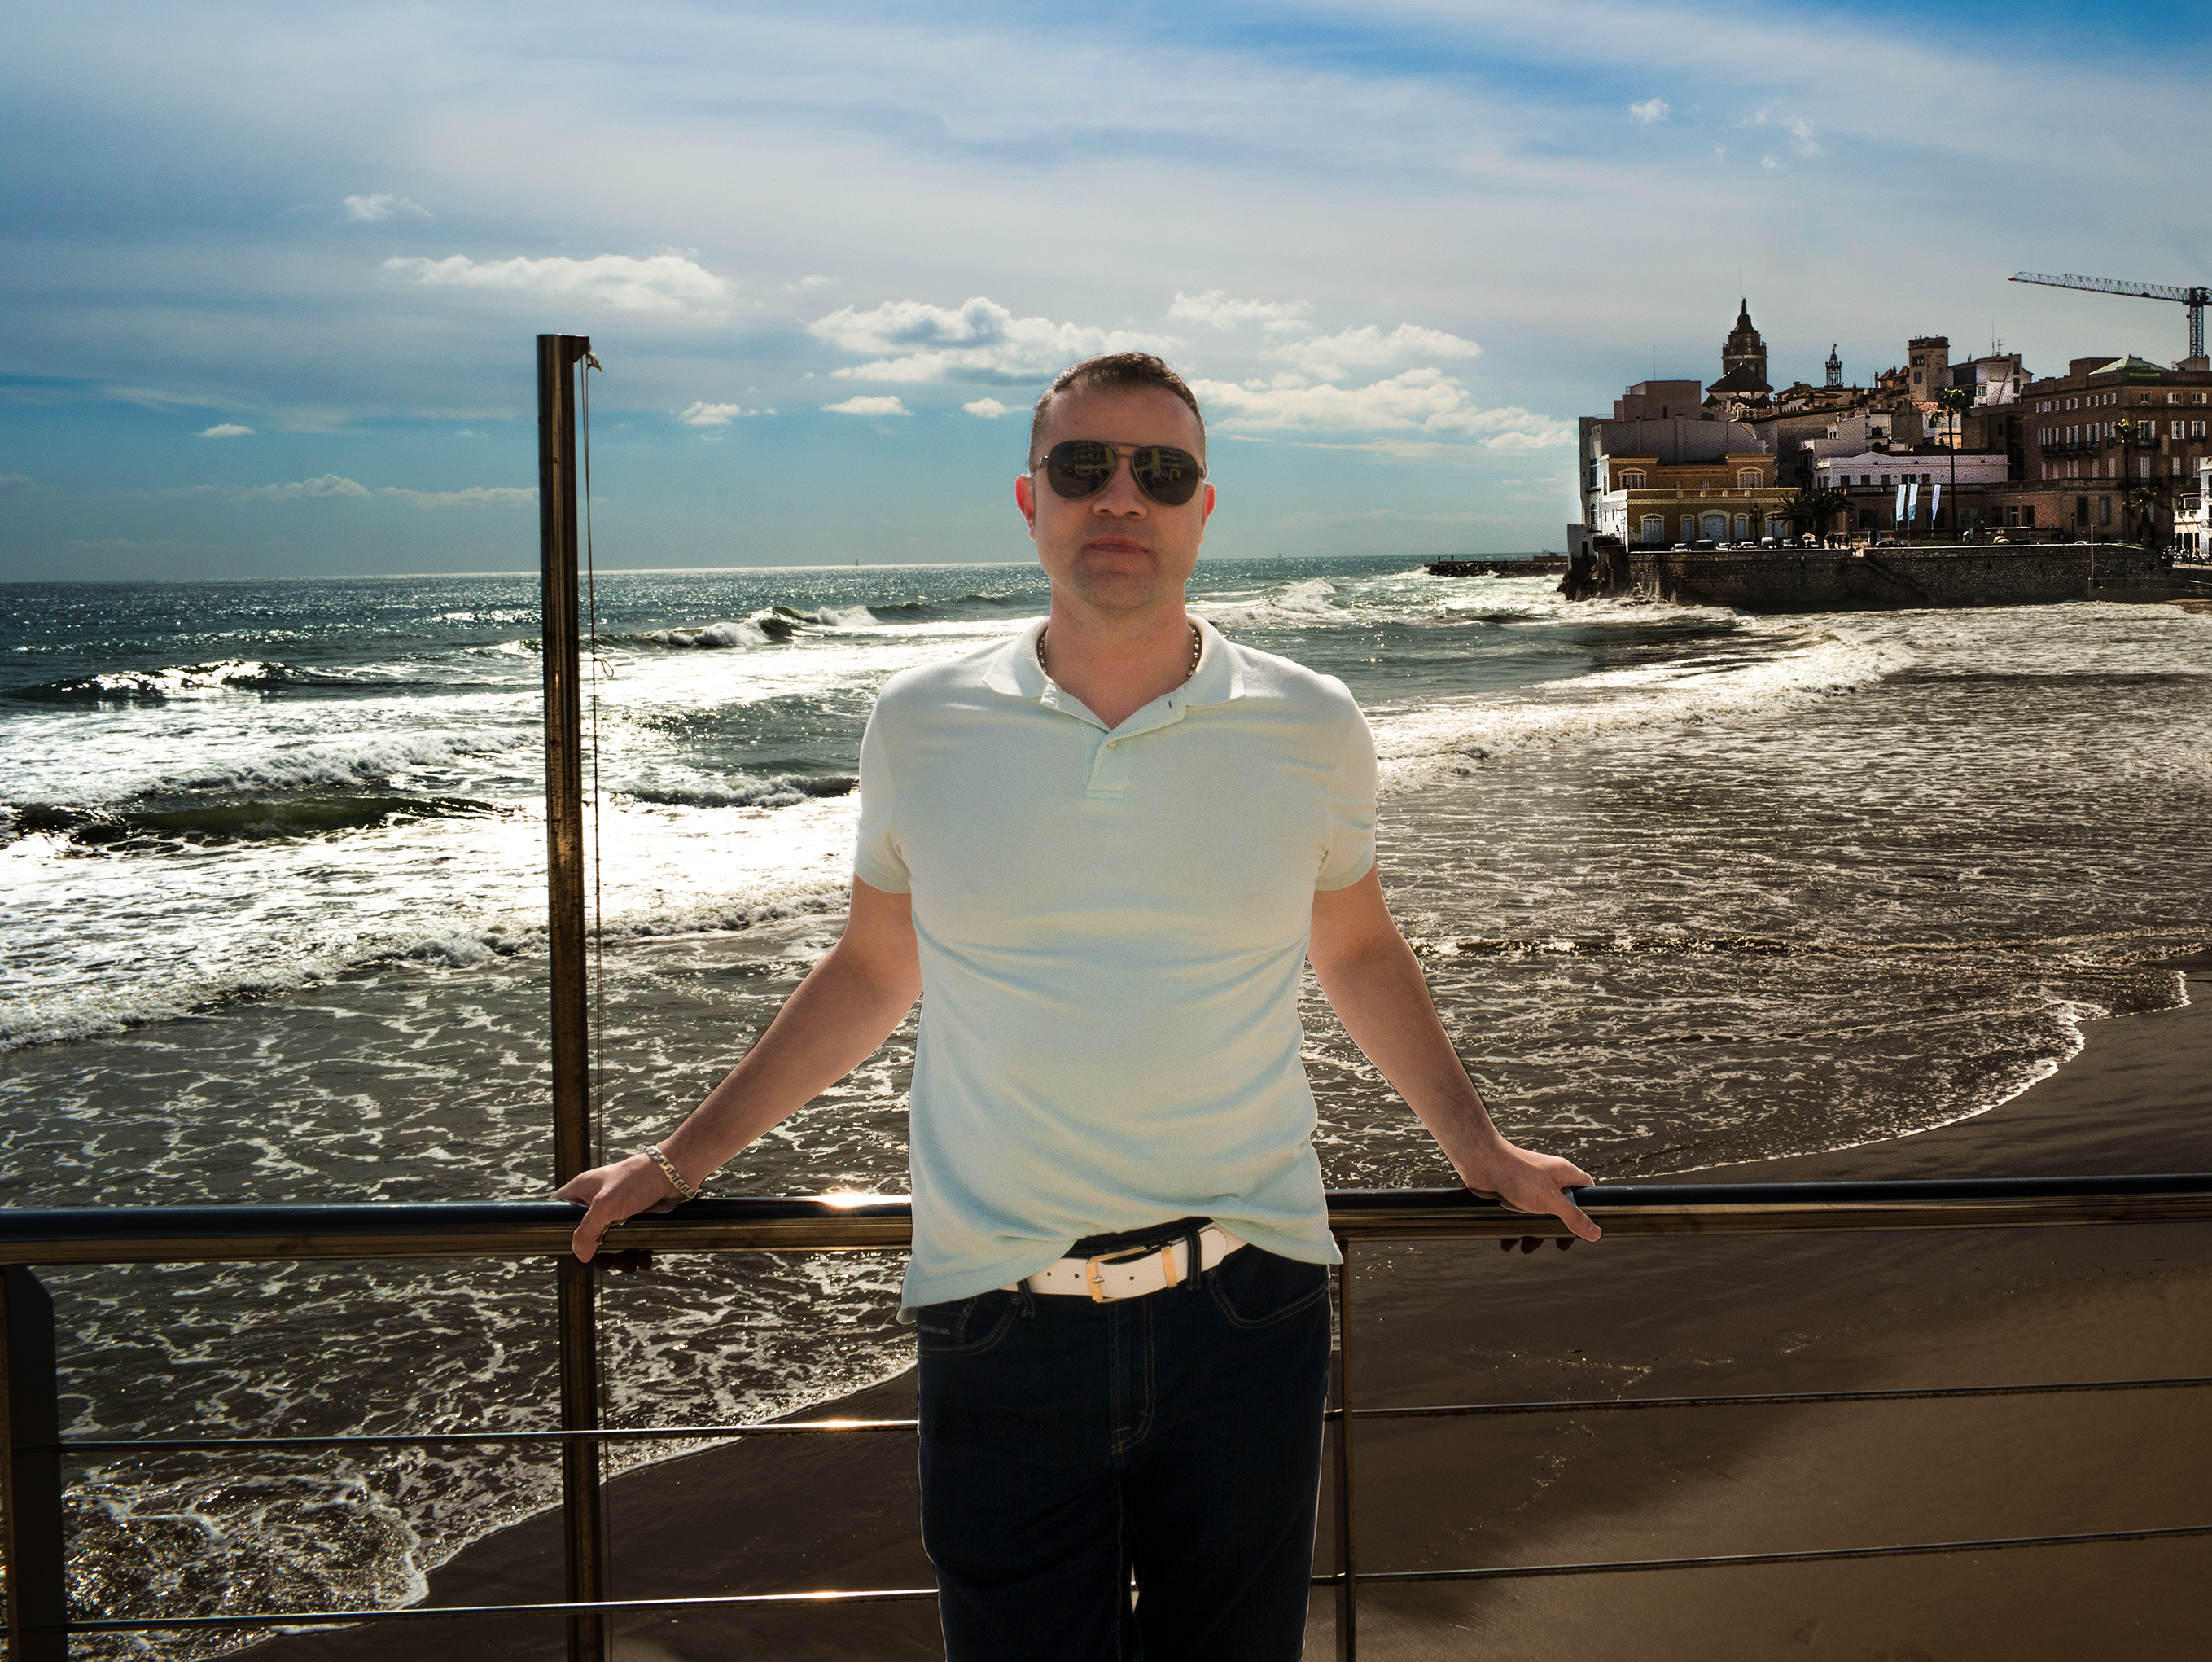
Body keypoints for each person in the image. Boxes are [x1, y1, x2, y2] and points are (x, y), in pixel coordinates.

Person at [556, 351, 1601, 1661]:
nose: (1120, 497)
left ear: (1202, 509)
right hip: (997, 1315)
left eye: (1158, 472)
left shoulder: (1311, 720)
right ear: (1030, 500)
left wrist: (1478, 1149)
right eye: (1082, 467)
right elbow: (874, 968)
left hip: (1249, 1302)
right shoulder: (921, 721)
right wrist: (678, 1161)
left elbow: (1358, 949)